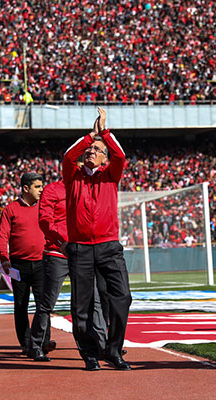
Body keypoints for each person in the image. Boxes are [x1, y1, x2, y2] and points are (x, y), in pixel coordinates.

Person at [63, 107, 132, 371]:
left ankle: (113, 350)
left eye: (96, 150)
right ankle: (89, 353)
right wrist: (91, 135)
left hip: (109, 247)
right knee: (81, 309)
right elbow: (69, 155)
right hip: (80, 248)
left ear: (105, 158)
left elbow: (120, 154)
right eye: (89, 150)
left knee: (122, 297)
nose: (91, 151)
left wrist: (104, 131)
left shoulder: (111, 175)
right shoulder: (73, 175)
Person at [27, 179, 108, 362]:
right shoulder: (52, 190)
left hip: (83, 254)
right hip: (57, 253)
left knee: (94, 301)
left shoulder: (89, 188)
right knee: (47, 303)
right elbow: (45, 220)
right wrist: (62, 242)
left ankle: (103, 347)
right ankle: (36, 346)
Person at [0, 172, 45, 354]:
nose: (41, 190)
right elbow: (2, 236)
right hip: (18, 265)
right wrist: (4, 259)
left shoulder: (44, 207)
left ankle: (42, 341)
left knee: (43, 305)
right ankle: (26, 343)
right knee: (20, 305)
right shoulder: (10, 210)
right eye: (37, 187)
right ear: (26, 188)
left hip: (42, 263)